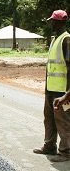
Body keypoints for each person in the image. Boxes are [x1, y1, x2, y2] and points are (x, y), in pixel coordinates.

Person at [33, 10, 70, 162]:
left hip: (62, 91)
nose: (51, 23)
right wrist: (47, 89)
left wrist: (68, 93)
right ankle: (49, 146)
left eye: (53, 21)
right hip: (51, 90)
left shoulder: (66, 40)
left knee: (63, 121)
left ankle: (66, 152)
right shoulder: (56, 39)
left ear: (60, 22)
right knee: (49, 119)